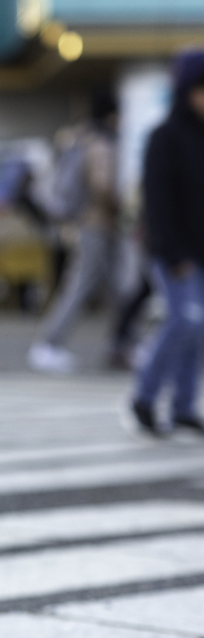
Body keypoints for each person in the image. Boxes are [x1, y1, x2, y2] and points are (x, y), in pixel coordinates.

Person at [130, 50, 204, 436]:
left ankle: (184, 407)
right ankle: (144, 397)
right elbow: (157, 202)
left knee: (198, 329)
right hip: (174, 253)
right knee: (185, 320)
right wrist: (174, 252)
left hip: (199, 252)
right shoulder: (165, 137)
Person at [28, 90, 121, 373]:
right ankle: (49, 343)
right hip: (96, 224)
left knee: (117, 287)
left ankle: (122, 343)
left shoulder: (78, 138)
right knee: (82, 285)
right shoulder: (100, 143)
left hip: (84, 222)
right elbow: (102, 186)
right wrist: (119, 208)